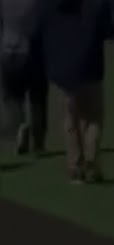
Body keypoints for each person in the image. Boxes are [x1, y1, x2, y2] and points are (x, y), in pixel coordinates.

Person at [40, 0, 114, 184]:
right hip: (90, 67)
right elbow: (108, 31)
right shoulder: (97, 5)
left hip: (61, 69)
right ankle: (90, 162)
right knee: (93, 119)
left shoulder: (50, 5)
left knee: (70, 119)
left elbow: (40, 30)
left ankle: (75, 166)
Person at [0, 0, 47, 156]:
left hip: (8, 50)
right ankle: (38, 141)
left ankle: (20, 127)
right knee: (37, 98)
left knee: (12, 98)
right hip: (32, 51)